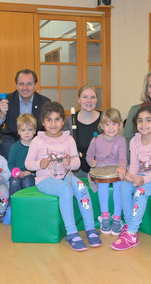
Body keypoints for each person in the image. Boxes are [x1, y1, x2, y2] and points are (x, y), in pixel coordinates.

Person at [25, 102, 102, 251]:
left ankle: (90, 228)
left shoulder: (68, 139)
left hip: (66, 175)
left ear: (63, 121)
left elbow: (76, 163)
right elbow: (28, 164)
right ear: (42, 122)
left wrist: (69, 163)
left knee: (81, 187)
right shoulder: (37, 140)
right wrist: (39, 164)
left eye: (57, 119)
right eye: (49, 119)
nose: (53, 123)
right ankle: (72, 232)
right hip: (45, 179)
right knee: (65, 190)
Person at [111, 105, 151, 251]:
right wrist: (130, 177)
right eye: (140, 121)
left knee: (140, 192)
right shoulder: (134, 141)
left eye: (148, 120)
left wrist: (142, 181)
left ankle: (132, 233)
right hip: (141, 175)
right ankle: (129, 223)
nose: (143, 124)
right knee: (124, 186)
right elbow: (134, 165)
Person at [0, 69, 51, 159]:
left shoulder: (45, 102)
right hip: (12, 136)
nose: (25, 88)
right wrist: (2, 114)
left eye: (29, 84)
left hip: (36, 137)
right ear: (16, 85)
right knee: (7, 145)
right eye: (21, 84)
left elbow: (48, 128)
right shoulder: (7, 100)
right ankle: (13, 172)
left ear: (35, 85)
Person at [86, 108, 127, 235]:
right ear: (101, 126)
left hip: (116, 168)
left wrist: (121, 167)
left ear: (120, 125)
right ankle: (104, 217)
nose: (111, 128)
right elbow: (89, 156)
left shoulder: (121, 140)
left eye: (114, 124)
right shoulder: (96, 140)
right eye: (107, 124)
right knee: (102, 185)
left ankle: (117, 217)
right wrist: (91, 162)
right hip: (100, 169)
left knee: (119, 185)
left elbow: (123, 158)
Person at [63, 85, 101, 179]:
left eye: (93, 97)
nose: (89, 101)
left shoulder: (104, 118)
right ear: (78, 100)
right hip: (78, 171)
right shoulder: (70, 121)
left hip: (102, 169)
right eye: (85, 97)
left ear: (96, 100)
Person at [8, 114, 36, 198]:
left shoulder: (36, 146)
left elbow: (39, 163)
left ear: (34, 131)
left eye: (30, 130)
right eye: (23, 130)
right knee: (14, 183)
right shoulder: (15, 147)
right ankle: (12, 205)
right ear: (18, 131)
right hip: (17, 173)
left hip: (31, 173)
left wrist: (31, 172)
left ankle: (28, 204)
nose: (27, 133)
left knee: (27, 183)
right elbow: (11, 163)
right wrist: (18, 173)